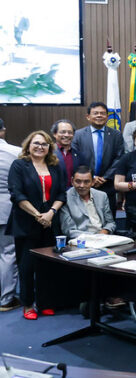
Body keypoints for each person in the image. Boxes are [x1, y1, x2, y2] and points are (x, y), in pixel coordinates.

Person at [7, 130, 66, 320]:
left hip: (50, 221)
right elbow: (17, 194)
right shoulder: (19, 165)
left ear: (49, 147)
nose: (40, 147)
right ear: (28, 145)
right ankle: (28, 304)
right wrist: (38, 215)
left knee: (47, 265)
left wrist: (51, 213)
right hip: (26, 221)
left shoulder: (55, 166)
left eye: (44, 144)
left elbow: (62, 193)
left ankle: (46, 302)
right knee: (26, 266)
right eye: (36, 143)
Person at [72, 102, 124, 216]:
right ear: (88, 116)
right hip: (84, 185)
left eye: (102, 113)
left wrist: (105, 177)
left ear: (107, 116)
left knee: (108, 218)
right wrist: (91, 177)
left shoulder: (116, 135)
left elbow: (119, 158)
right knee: (85, 219)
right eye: (95, 113)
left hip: (108, 185)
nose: (99, 115)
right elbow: (75, 158)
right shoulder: (78, 135)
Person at [59, 165, 116, 238]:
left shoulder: (102, 196)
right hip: (81, 240)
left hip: (103, 237)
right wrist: (94, 237)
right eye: (78, 181)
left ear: (93, 182)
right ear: (72, 181)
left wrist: (104, 231)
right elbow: (68, 230)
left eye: (86, 182)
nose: (82, 185)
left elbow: (110, 223)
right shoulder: (65, 198)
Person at [0, 119, 21, 312]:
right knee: (7, 253)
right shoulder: (16, 152)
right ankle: (6, 299)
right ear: (3, 131)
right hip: (6, 210)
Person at [51, 119, 80, 190]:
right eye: (63, 132)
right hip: (55, 193)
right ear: (54, 134)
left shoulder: (78, 154)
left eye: (70, 132)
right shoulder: (49, 152)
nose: (66, 135)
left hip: (74, 193)